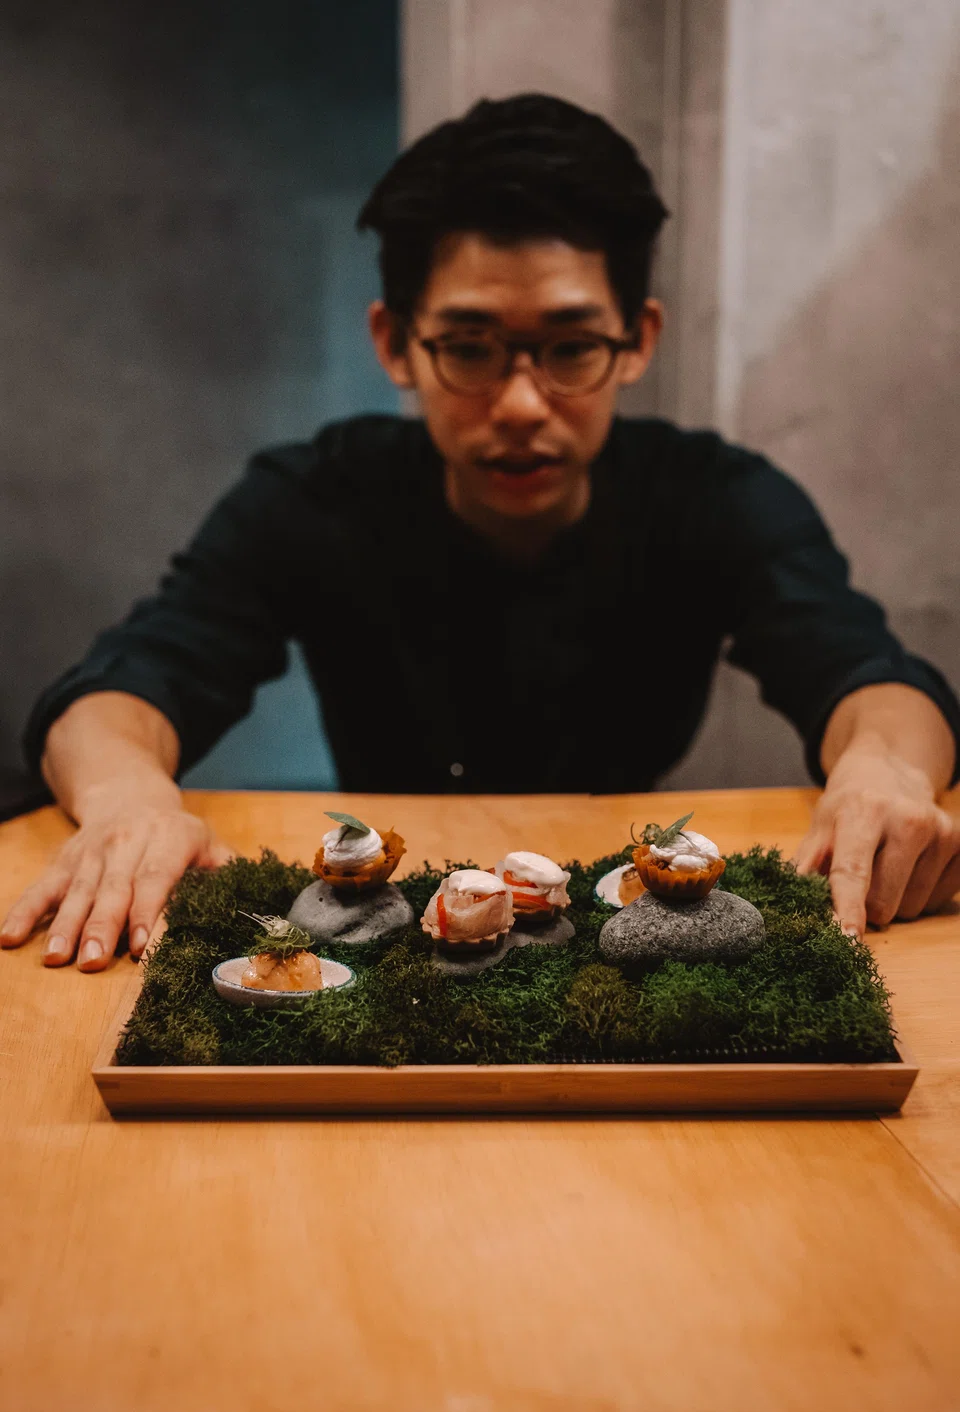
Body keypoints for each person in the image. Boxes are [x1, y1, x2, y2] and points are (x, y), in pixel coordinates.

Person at [3, 94, 959, 973]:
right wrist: (129, 798)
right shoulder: (311, 497)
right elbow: (130, 680)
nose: (519, 404)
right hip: (393, 952)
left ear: (640, 339)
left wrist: (885, 765)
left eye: (572, 347)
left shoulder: (719, 498)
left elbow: (863, 669)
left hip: (618, 949)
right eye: (468, 348)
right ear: (393, 341)